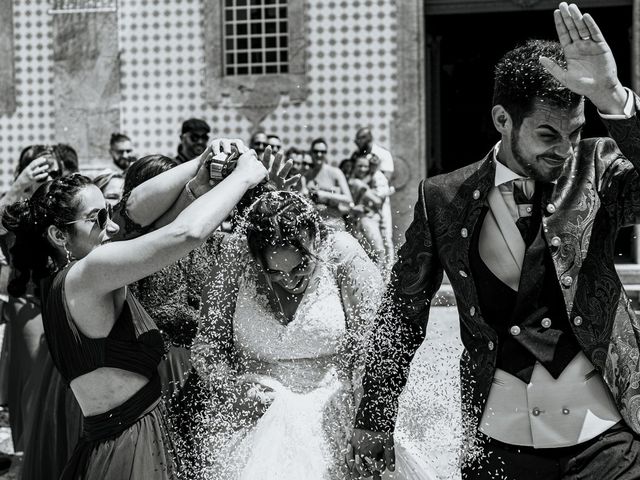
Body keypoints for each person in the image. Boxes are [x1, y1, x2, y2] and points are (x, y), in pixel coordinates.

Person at [348, 4, 640, 480]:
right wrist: (374, 418)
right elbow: (402, 315)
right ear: (503, 119)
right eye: (548, 133)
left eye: (575, 132)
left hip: (605, 441)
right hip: (499, 442)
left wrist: (612, 96)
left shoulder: (599, 167)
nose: (565, 149)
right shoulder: (442, 197)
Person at [2, 140, 267, 479]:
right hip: (131, 446)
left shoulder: (67, 278)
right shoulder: (89, 273)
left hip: (126, 437)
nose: (111, 226)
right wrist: (243, 176)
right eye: (98, 218)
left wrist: (198, 175)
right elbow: (185, 233)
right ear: (58, 235)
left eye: (108, 213)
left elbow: (147, 228)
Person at [191, 190, 436, 479]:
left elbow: (374, 346)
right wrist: (232, 389)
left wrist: (364, 413)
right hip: (254, 414)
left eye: (300, 267)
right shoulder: (235, 258)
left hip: (333, 409)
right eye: (275, 273)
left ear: (316, 240)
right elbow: (207, 346)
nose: (290, 280)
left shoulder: (342, 251)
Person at [347, 153, 393, 274]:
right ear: (354, 167)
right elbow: (377, 201)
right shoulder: (356, 182)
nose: (363, 169)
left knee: (366, 253)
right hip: (364, 219)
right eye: (360, 166)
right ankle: (378, 279)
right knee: (379, 251)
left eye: (365, 166)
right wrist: (386, 192)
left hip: (360, 220)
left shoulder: (358, 182)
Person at [305, 138, 353, 230]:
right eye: (316, 151)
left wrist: (324, 194)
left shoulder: (335, 172)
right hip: (314, 225)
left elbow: (348, 199)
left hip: (334, 222)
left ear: (326, 153)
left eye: (322, 152)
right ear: (311, 153)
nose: (319, 154)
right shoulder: (307, 176)